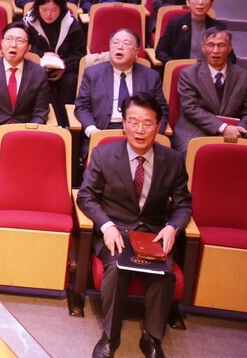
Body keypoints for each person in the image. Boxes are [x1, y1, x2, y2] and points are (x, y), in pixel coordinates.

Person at [77, 92, 192, 358]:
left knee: (164, 275)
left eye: (147, 123)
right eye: (133, 122)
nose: (140, 130)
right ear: (124, 124)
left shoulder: (172, 160)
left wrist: (172, 227)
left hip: (152, 233)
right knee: (117, 271)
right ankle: (110, 335)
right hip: (115, 232)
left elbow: (183, 205)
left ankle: (152, 338)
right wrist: (105, 226)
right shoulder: (104, 154)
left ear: (159, 125)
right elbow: (86, 196)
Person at [0, 21, 51, 179]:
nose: (13, 45)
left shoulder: (39, 73)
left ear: (28, 47)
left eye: (20, 41)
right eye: (9, 39)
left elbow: (41, 111)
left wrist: (28, 132)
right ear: (1, 43)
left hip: (26, 131)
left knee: (38, 158)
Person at [75, 29, 169, 154]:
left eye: (126, 43)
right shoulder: (92, 74)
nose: (119, 47)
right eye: (115, 43)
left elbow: (161, 109)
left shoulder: (151, 76)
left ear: (136, 51)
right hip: (102, 130)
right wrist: (93, 131)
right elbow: (81, 107)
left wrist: (153, 134)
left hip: (140, 133)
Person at [173, 27, 247, 154]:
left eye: (221, 45)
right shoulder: (188, 74)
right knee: (197, 157)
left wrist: (240, 129)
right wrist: (223, 128)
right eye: (210, 45)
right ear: (203, 48)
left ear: (230, 48)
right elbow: (191, 108)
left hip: (233, 135)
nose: (215, 51)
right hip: (195, 132)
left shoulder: (244, 76)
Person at [25, 0, 86, 127]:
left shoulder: (71, 25)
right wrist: (41, 55)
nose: (48, 15)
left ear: (61, 8)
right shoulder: (29, 22)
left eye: (53, 10)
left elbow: (80, 54)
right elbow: (25, 46)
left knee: (70, 81)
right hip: (36, 68)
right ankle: (47, 123)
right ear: (37, 7)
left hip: (66, 70)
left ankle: (65, 123)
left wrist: (64, 66)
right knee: (42, 82)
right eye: (44, 10)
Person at [155, 0, 235, 64]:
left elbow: (230, 57)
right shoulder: (175, 23)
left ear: (211, 3)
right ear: (188, 2)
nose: (200, 3)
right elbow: (160, 51)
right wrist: (175, 66)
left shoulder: (219, 27)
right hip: (182, 73)